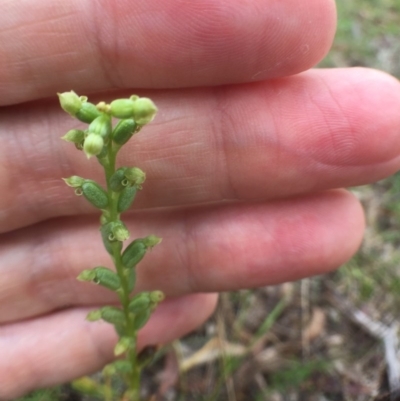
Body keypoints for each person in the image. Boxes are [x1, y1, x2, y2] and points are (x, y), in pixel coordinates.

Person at [1, 0, 400, 398]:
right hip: (108, 197)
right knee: (117, 253)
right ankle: (125, 356)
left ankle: (130, 363)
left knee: (123, 259)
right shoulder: (99, 142)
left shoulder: (113, 139)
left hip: (114, 205)